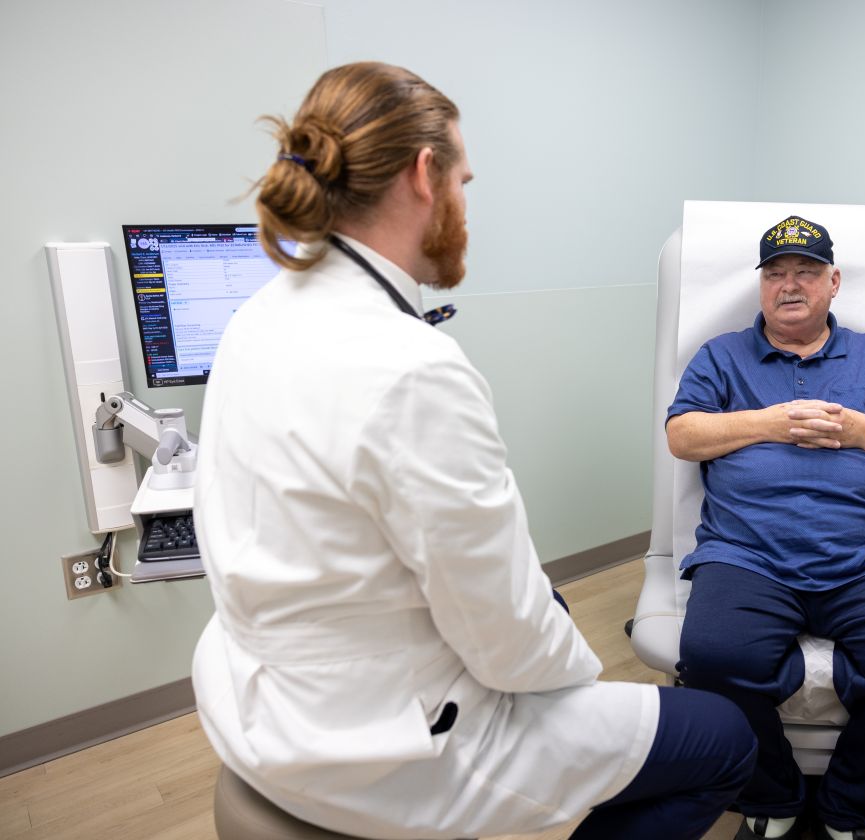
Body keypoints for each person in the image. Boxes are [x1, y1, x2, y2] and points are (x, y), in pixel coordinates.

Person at [191, 61, 755, 840]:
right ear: (426, 176)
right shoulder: (409, 367)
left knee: (546, 606)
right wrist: (581, 689)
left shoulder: (260, 313)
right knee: (723, 740)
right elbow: (511, 644)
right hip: (389, 754)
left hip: (272, 700)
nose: (466, 205)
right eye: (466, 180)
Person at [667, 216, 865, 840]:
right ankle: (770, 798)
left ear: (834, 283)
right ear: (761, 288)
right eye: (775, 273)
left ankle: (851, 810)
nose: (789, 284)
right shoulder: (721, 357)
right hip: (747, 555)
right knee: (712, 658)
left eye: (805, 271)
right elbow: (683, 435)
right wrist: (770, 422)